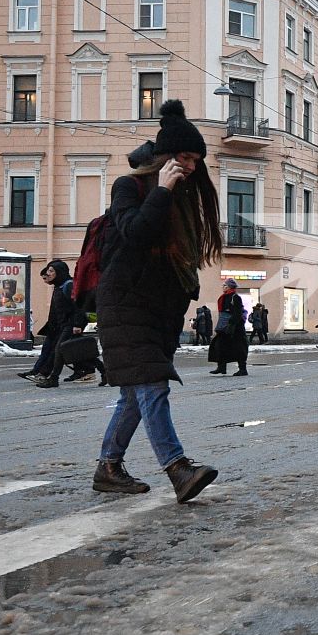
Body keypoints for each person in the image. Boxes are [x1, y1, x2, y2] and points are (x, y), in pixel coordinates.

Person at [92, 99, 222, 503]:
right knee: (152, 386)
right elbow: (136, 233)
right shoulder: (128, 186)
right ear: (166, 157)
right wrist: (163, 190)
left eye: (197, 159)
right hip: (125, 302)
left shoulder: (183, 196)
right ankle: (178, 469)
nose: (192, 166)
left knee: (134, 393)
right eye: (185, 157)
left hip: (158, 310)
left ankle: (108, 468)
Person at [28, 261, 81, 388]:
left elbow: (78, 306)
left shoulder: (68, 286)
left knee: (60, 350)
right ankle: (99, 371)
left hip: (69, 324)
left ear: (59, 272)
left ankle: (52, 378)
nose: (48, 274)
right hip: (60, 325)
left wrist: (77, 324)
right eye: (48, 271)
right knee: (72, 351)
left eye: (51, 271)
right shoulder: (59, 286)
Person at [208, 278, 249, 377]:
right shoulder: (224, 297)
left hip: (235, 327)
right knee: (220, 345)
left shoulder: (235, 297)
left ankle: (242, 369)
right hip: (224, 326)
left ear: (230, 287)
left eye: (225, 285)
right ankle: (221, 367)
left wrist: (232, 324)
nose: (223, 287)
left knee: (238, 347)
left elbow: (237, 312)